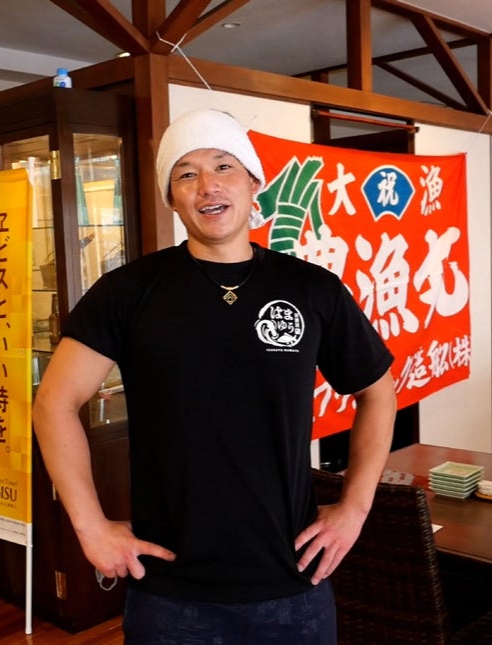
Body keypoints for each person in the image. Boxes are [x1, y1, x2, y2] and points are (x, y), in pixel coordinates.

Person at [33, 108, 396, 644]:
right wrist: (91, 526)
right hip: (170, 591)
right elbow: (54, 403)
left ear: (254, 183)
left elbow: (378, 392)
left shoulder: (311, 288)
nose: (208, 186)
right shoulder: (128, 292)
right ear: (171, 198)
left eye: (224, 166)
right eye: (187, 174)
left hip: (292, 580)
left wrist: (354, 508)